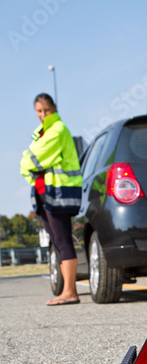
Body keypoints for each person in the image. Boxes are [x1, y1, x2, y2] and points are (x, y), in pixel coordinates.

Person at [20, 93, 82, 306]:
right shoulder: (41, 132)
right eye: (39, 111)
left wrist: (27, 159)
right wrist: (28, 161)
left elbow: (33, 157)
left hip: (59, 193)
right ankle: (66, 290)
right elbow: (28, 163)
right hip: (44, 193)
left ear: (54, 108)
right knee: (56, 241)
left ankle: (70, 291)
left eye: (46, 110)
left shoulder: (57, 130)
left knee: (63, 240)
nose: (43, 114)